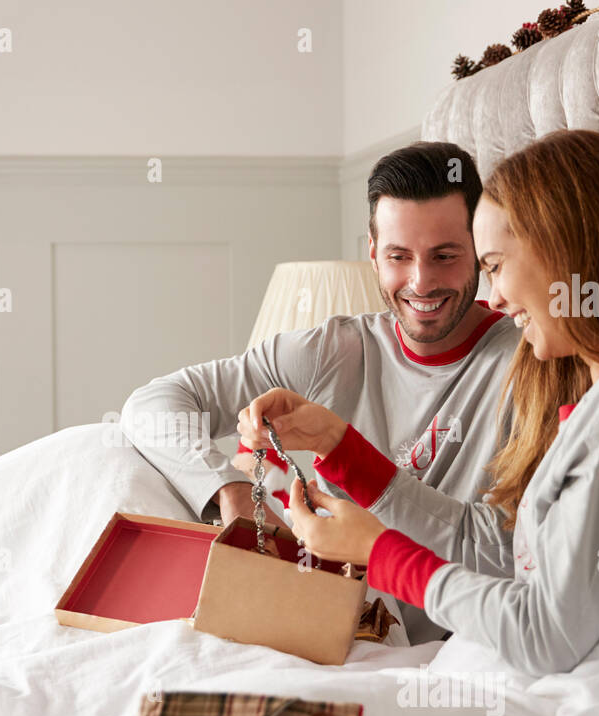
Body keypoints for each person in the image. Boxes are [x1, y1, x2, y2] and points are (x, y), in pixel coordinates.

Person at [239, 129, 599, 681]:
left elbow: (544, 634)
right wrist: (338, 449)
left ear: (564, 255)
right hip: (517, 676)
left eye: (497, 265)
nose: (497, 298)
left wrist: (382, 556)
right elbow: (497, 549)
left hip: (588, 696)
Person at [121, 141, 521, 645]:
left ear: (480, 252)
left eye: (445, 256)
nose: (422, 282)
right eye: (399, 256)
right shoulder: (332, 349)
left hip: (408, 648)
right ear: (373, 254)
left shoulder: (531, 363)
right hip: (291, 619)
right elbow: (154, 404)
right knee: (100, 455)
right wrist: (231, 490)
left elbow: (511, 555)